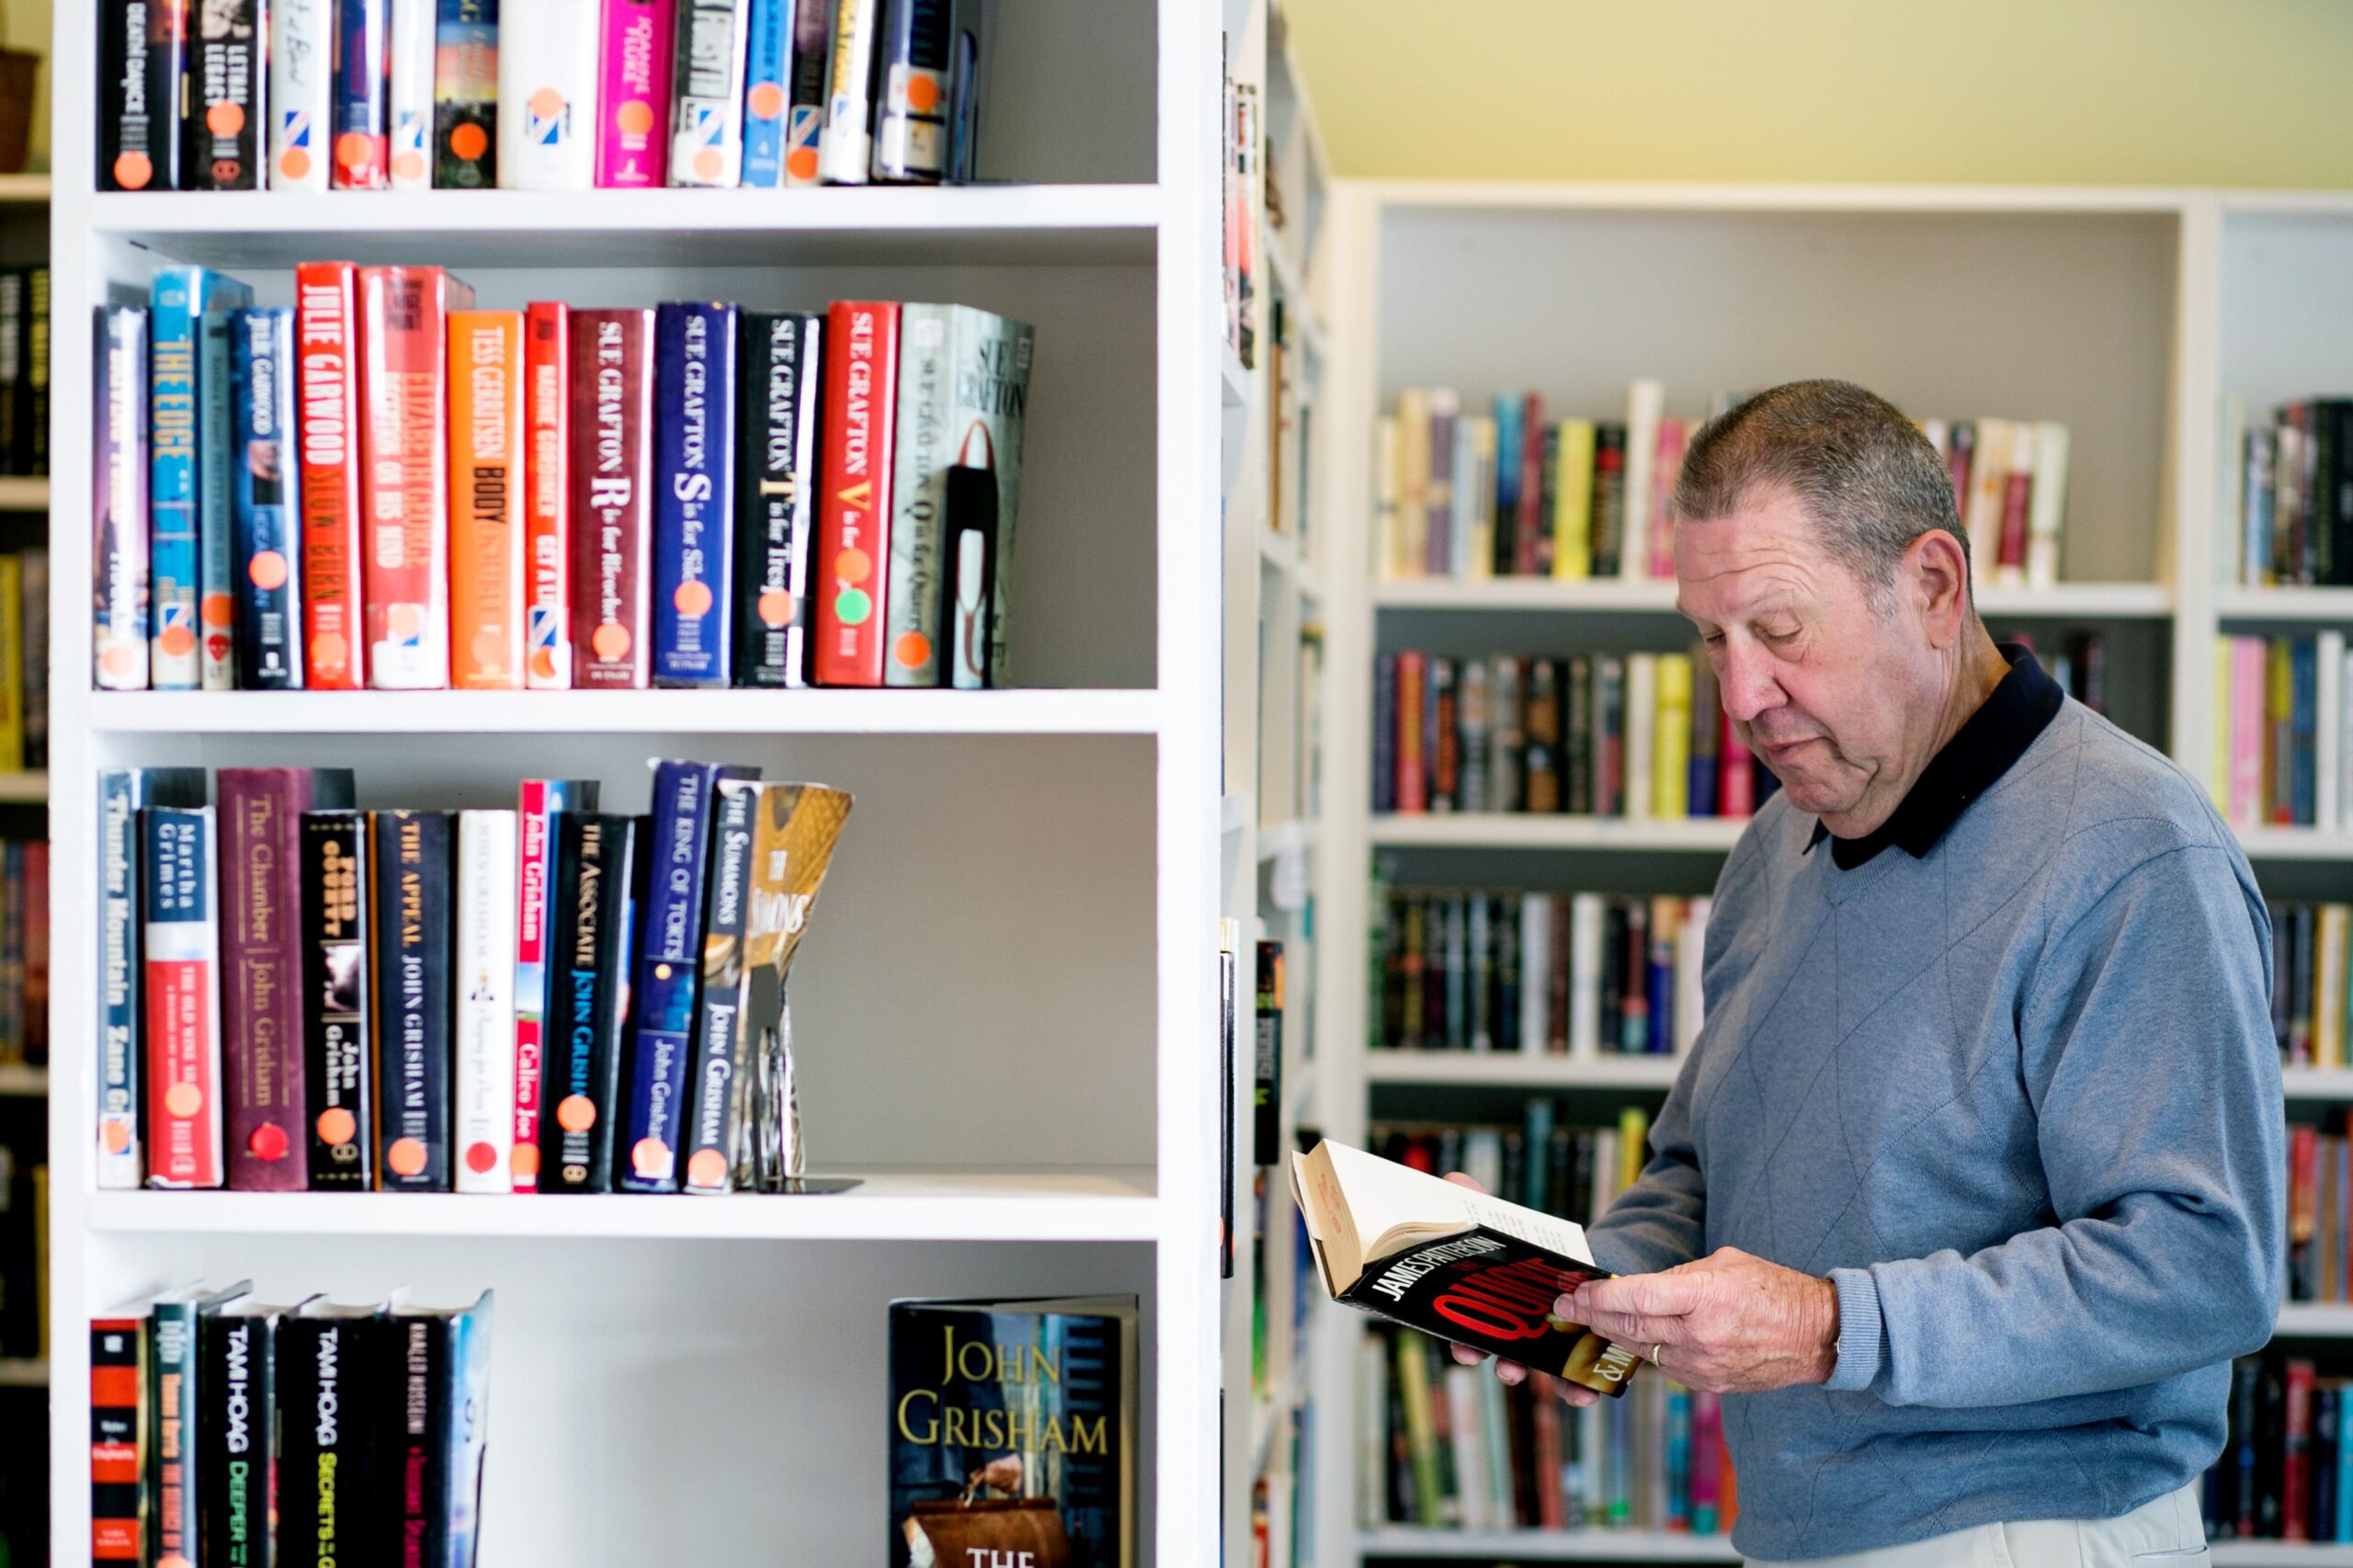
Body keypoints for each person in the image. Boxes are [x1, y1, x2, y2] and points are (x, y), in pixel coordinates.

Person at [1457, 380, 2281, 1566]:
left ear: (1934, 588)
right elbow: (1703, 1168)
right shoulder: (1778, 841)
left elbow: (2207, 1265)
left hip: (2028, 1532)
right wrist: (1593, 1292)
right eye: (1711, 639)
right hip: (1803, 1530)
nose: (1739, 696)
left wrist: (1833, 1325)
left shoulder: (2132, 849)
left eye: (1779, 633)